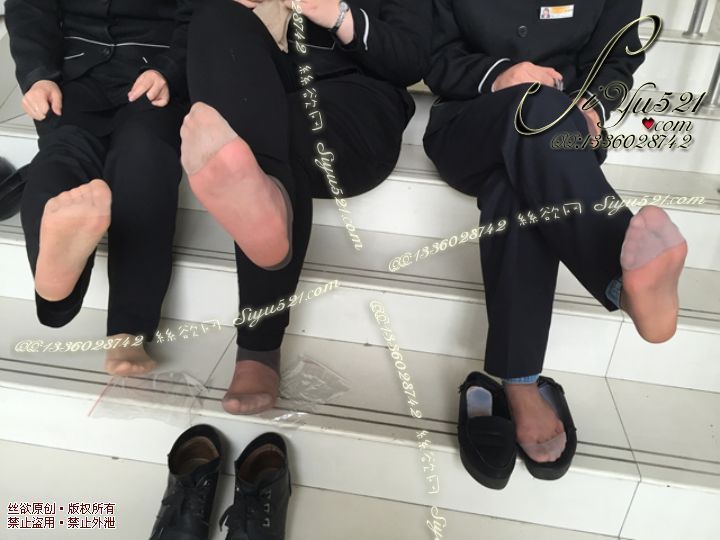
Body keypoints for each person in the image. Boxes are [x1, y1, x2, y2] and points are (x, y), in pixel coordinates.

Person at [423, 0, 687, 476]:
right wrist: (498, 75)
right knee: (537, 111)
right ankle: (619, 281)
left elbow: (616, 56)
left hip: (562, 133)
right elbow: (430, 50)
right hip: (470, 120)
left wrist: (592, 105)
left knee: (517, 184)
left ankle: (520, 382)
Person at [180, 0, 431, 414]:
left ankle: (259, 344)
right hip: (267, 87)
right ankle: (265, 203)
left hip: (356, 99)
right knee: (215, 16)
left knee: (270, 140)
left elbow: (411, 61)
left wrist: (336, 14)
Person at [6, 0, 196, 375]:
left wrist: (171, 70)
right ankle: (59, 288)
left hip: (155, 75)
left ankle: (73, 307)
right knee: (62, 157)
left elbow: (202, 13)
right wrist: (38, 76)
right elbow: (29, 7)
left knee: (144, 158)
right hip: (71, 75)